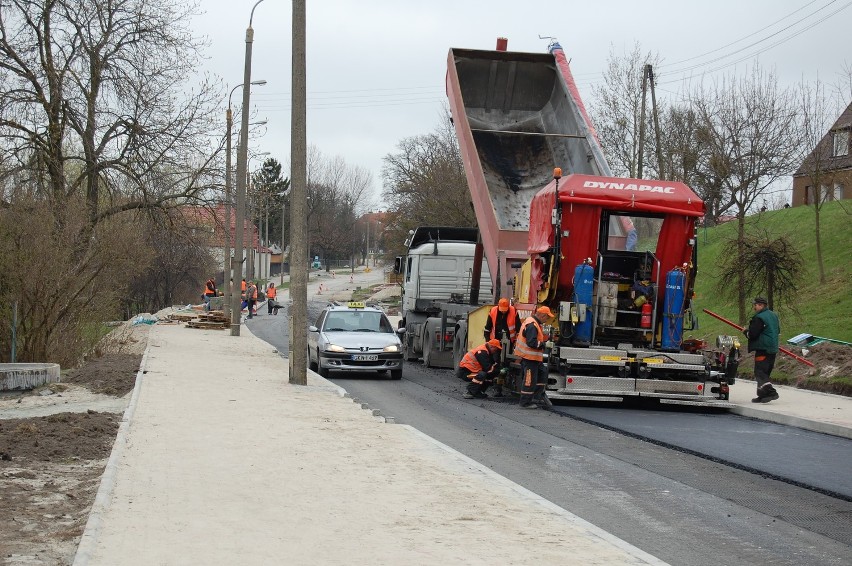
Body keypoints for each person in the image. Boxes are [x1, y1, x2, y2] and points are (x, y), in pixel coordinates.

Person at [514, 306, 555, 409]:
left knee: (542, 373)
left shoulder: (534, 323)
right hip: (529, 358)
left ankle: (537, 397)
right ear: (542, 315)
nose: (547, 319)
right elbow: (531, 342)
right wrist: (544, 345)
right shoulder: (532, 325)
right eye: (547, 317)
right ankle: (525, 402)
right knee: (529, 380)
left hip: (535, 358)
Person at [744, 296, 780, 403]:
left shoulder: (759, 318)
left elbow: (753, 334)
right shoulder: (773, 315)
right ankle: (762, 396)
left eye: (755, 305)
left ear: (760, 305)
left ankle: (771, 392)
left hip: (763, 348)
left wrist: (746, 332)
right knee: (765, 373)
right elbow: (777, 330)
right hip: (772, 348)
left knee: (760, 372)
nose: (754, 307)